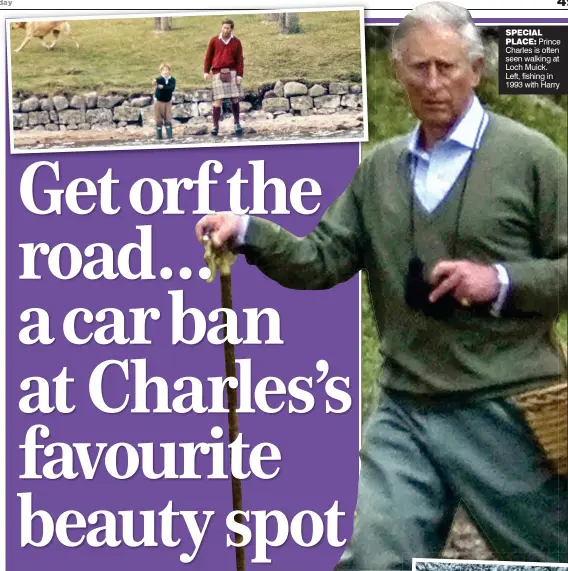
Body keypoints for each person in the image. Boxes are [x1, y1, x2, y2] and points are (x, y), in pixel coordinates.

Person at [195, 2, 568, 569]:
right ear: (397, 72)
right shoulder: (379, 170)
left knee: (552, 557)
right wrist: (247, 231)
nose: (434, 83)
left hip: (507, 407)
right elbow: (321, 260)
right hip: (407, 409)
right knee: (374, 558)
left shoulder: (532, 158)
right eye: (419, 68)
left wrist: (500, 281)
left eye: (447, 67)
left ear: (476, 69)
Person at [203, 17, 244, 137]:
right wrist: (206, 72)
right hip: (217, 72)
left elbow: (240, 60)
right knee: (218, 100)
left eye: (228, 28)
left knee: (234, 98)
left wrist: (240, 74)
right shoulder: (214, 40)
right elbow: (208, 57)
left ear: (231, 29)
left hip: (232, 72)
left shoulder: (236, 42)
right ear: (221, 27)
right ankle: (215, 126)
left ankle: (237, 123)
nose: (225, 30)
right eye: (224, 27)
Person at [152, 62, 176, 140]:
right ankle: (159, 137)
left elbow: (171, 88)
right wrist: (155, 80)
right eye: (163, 70)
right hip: (158, 102)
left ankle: (170, 137)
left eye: (167, 70)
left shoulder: (172, 80)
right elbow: (157, 79)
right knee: (158, 121)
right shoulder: (160, 79)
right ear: (161, 72)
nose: (165, 72)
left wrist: (163, 87)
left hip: (168, 102)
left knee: (168, 120)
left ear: (170, 71)